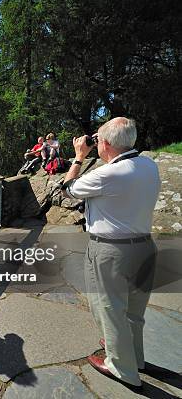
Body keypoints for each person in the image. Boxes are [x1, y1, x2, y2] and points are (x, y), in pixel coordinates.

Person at [62, 117, 160, 389]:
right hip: (144, 247)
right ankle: (135, 359)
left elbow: (68, 189)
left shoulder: (107, 174)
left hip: (111, 250)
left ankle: (122, 368)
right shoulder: (148, 166)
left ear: (104, 143)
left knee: (110, 309)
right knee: (134, 312)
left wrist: (79, 157)